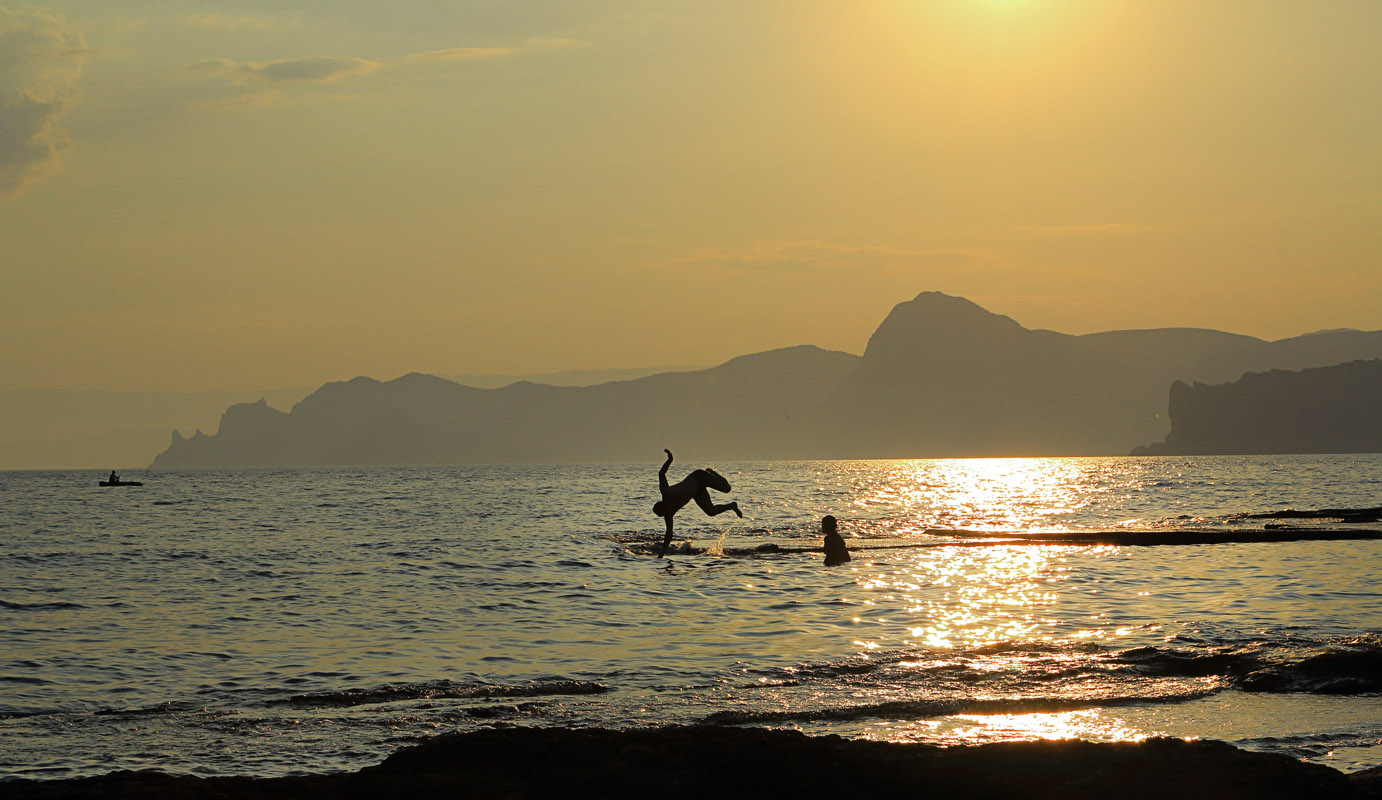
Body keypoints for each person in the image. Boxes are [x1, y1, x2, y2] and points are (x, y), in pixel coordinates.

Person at [653, 449, 741, 557]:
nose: (668, 512)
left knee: (727, 489)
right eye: (664, 514)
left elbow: (661, 474)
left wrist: (670, 459)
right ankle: (731, 506)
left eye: (665, 510)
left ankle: (712, 473)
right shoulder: (669, 514)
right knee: (711, 512)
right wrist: (661, 554)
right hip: (697, 492)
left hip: (698, 477)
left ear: (664, 504)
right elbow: (668, 534)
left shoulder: (665, 492)